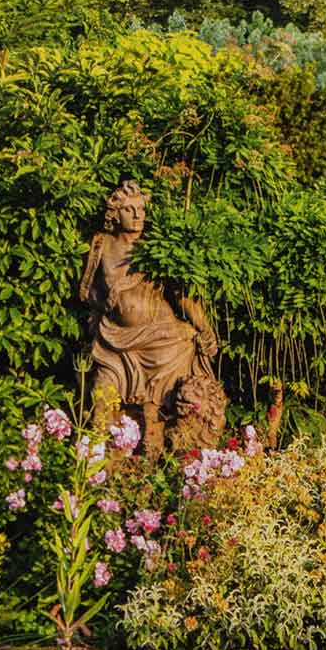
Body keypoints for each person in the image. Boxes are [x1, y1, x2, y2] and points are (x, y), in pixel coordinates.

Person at [78, 181, 221, 455]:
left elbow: (183, 296)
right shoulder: (101, 244)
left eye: (140, 209)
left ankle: (175, 465)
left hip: (165, 344)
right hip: (114, 343)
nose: (136, 215)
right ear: (114, 215)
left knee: (164, 411)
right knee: (101, 398)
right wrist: (102, 308)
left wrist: (204, 328)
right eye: (128, 209)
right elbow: (87, 293)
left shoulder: (157, 246)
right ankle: (93, 467)